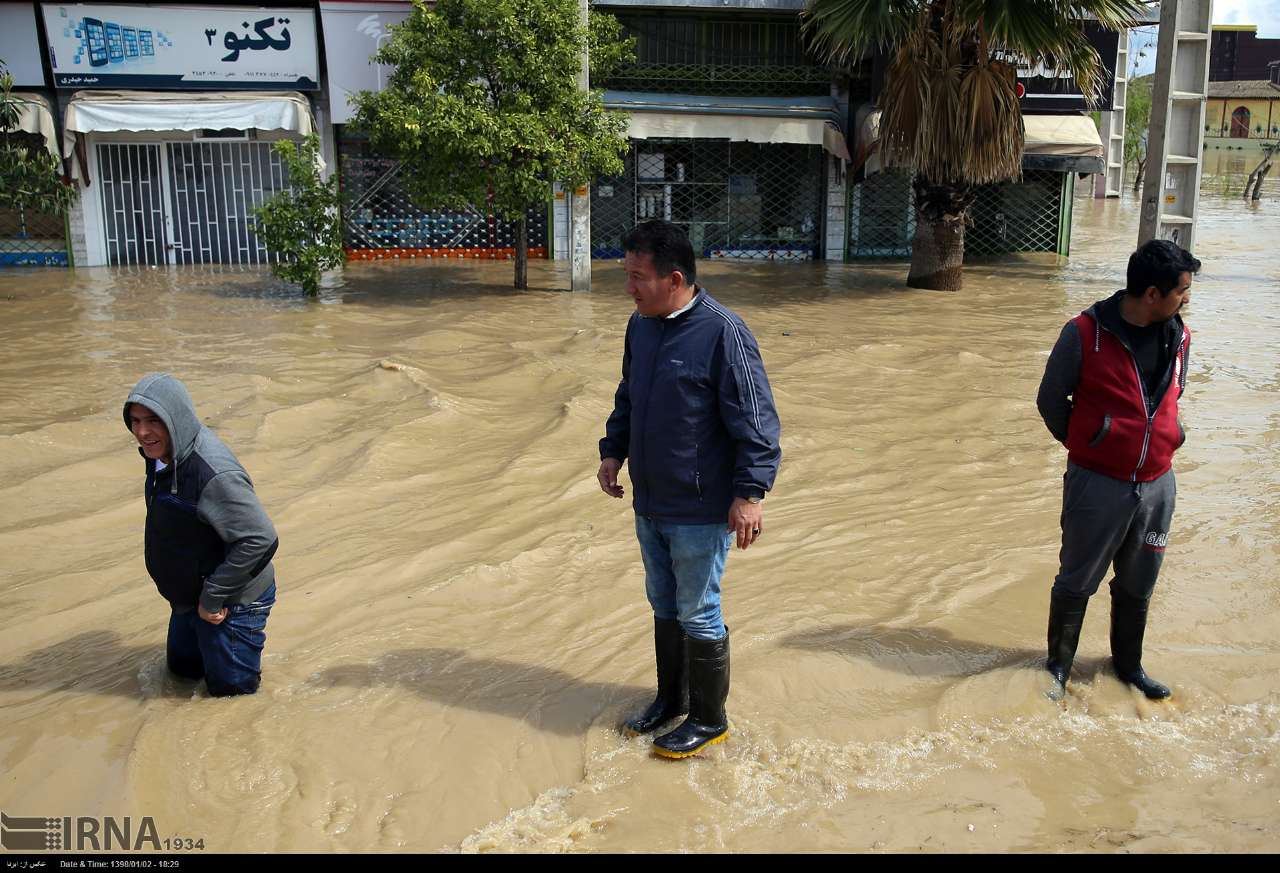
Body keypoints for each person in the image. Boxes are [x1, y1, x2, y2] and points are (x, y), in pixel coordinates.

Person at [597, 220, 782, 758]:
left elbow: (757, 422)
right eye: (627, 275)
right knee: (663, 602)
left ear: (674, 278)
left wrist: (750, 494)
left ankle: (709, 718)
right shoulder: (641, 326)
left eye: (637, 277)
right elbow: (628, 395)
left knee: (698, 609)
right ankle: (670, 700)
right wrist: (613, 451)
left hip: (701, 507)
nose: (629, 288)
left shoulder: (724, 332)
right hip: (651, 499)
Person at [1036, 239, 1199, 701]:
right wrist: (1091, 446)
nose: (1187, 299)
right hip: (1097, 483)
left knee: (1139, 582)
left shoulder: (1180, 337)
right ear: (1152, 294)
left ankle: (1128, 667)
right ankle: (1058, 670)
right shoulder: (1084, 333)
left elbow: (1174, 395)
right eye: (1182, 291)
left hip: (1158, 485)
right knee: (1076, 580)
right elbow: (1050, 400)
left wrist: (1167, 439)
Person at [124, 374, 279, 696]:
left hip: (231, 602)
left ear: (175, 417)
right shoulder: (161, 455)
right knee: (181, 675)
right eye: (135, 421)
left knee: (231, 699)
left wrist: (212, 598)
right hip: (190, 597)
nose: (142, 432)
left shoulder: (214, 474)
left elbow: (260, 539)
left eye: (153, 420)